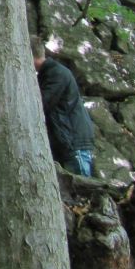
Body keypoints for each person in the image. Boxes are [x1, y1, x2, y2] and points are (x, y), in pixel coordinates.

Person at [31, 36, 96, 176]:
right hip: (66, 142)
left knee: (80, 190)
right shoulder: (47, 74)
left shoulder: (56, 73)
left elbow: (41, 104)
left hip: (73, 142)